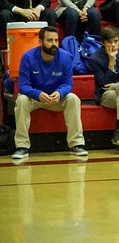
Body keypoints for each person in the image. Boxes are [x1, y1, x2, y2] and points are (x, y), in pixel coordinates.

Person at [12, 25, 87, 159]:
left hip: (55, 99)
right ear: (40, 42)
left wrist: (59, 92)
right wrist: (38, 94)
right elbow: (23, 86)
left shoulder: (65, 57)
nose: (54, 44)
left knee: (73, 99)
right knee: (21, 99)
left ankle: (76, 144)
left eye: (56, 40)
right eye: (50, 40)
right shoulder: (28, 57)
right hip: (35, 98)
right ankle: (22, 146)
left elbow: (68, 83)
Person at [88, 26, 119, 152]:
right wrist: (111, 62)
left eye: (116, 41)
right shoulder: (95, 58)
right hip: (105, 95)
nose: (113, 45)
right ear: (102, 43)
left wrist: (118, 85)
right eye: (109, 42)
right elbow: (104, 83)